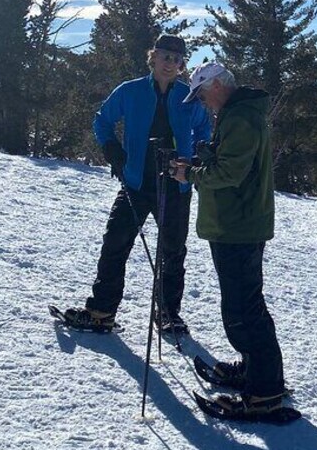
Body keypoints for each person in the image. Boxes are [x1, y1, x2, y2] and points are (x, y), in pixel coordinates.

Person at [169, 62, 297, 421]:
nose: (204, 103)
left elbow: (230, 172)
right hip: (237, 223)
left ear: (217, 86)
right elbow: (230, 162)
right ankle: (257, 372)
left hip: (237, 225)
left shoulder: (239, 118)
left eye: (203, 94)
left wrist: (190, 173)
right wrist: (202, 159)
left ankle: (264, 392)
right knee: (245, 304)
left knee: (243, 311)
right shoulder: (237, 115)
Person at [61, 34, 211, 333]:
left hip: (175, 186)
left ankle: (168, 314)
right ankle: (101, 311)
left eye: (177, 59)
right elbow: (102, 120)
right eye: (165, 56)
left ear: (182, 65)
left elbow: (205, 131)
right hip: (135, 182)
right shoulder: (130, 92)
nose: (170, 63)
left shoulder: (189, 98)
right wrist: (112, 150)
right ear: (153, 57)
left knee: (172, 252)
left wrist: (197, 158)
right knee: (115, 243)